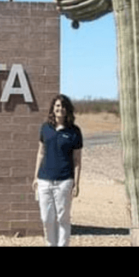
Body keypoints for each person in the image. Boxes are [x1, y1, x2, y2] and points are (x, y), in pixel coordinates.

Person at [32, 94, 83, 246]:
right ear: (53, 109)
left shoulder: (74, 132)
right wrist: (35, 177)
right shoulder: (45, 128)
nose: (60, 109)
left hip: (64, 181)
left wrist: (76, 183)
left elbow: (77, 161)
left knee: (63, 218)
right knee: (46, 218)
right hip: (44, 180)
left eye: (63, 106)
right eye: (57, 106)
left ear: (68, 110)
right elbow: (40, 153)